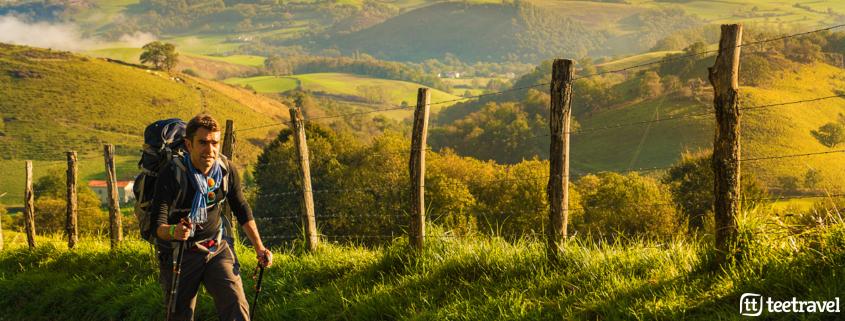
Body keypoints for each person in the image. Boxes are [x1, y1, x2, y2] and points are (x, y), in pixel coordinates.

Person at [152, 113, 272, 321]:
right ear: (189, 145)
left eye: (214, 142)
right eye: (203, 142)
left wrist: (259, 247)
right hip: (180, 252)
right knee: (181, 315)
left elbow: (241, 208)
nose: (210, 150)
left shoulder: (226, 170)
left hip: (216, 247)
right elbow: (157, 224)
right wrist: (174, 231)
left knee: (236, 305)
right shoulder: (172, 173)